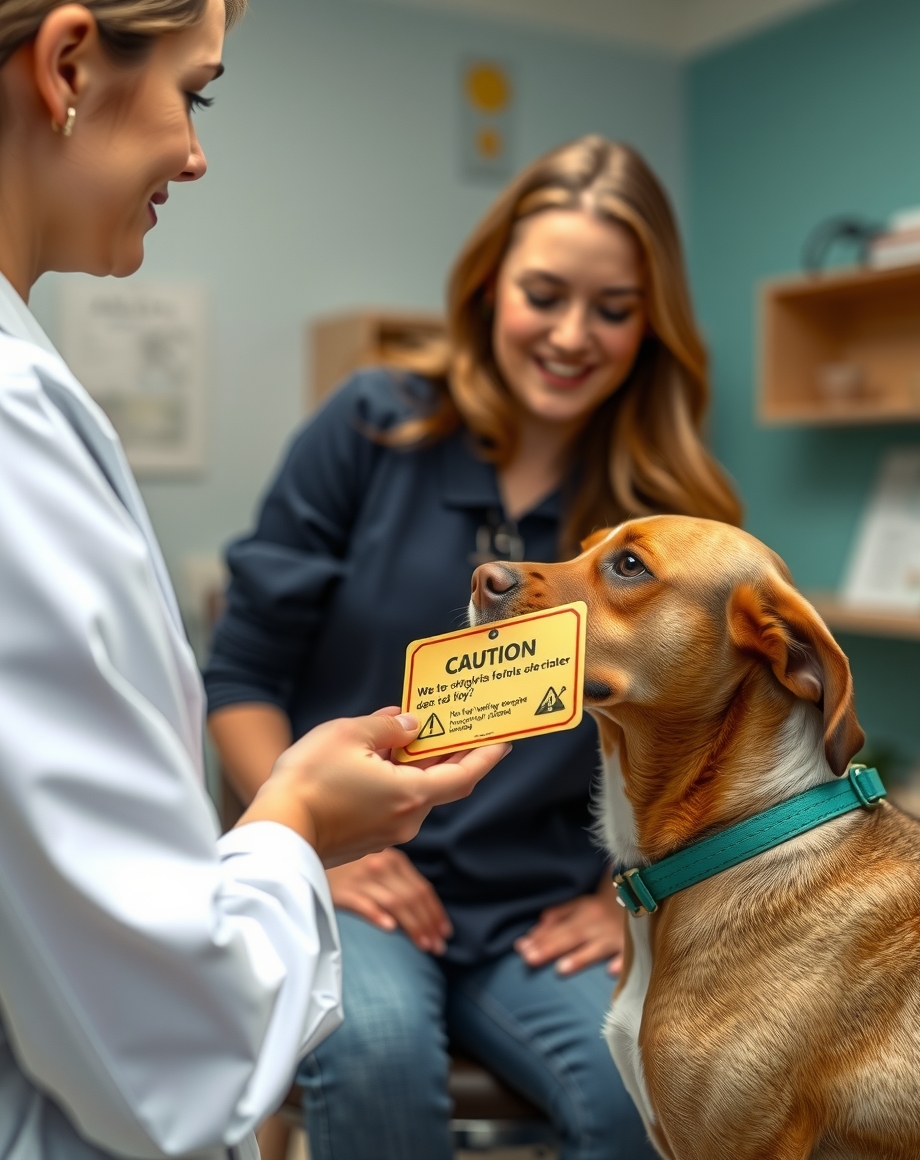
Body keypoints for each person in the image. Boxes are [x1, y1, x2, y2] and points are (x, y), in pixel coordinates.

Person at [0, 3, 509, 1158]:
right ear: (67, 64)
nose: (195, 153)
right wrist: (297, 817)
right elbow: (172, 1054)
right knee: (376, 1049)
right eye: (196, 92)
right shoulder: (17, 425)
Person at [206, 135, 743, 1160]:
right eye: (543, 294)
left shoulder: (670, 519)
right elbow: (240, 675)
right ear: (490, 284)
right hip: (357, 876)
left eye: (613, 308)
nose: (571, 335)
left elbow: (703, 743)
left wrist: (623, 901)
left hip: (537, 912)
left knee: (634, 1083)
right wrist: (302, 835)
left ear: (651, 323)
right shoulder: (370, 426)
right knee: (372, 1052)